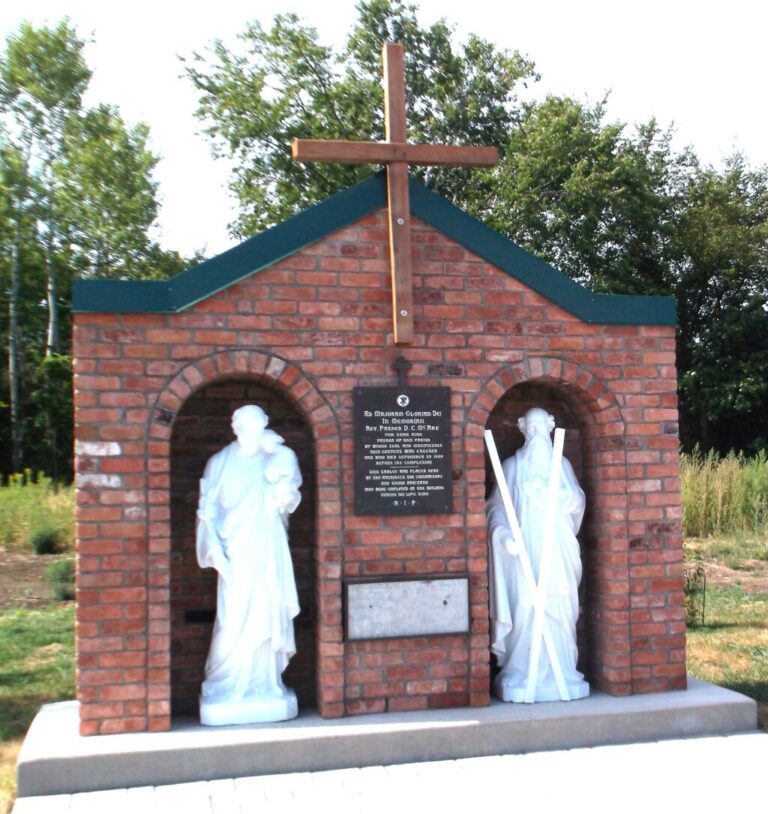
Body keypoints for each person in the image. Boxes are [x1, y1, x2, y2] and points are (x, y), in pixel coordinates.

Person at [196, 405, 302, 724]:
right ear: (236, 427)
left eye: (260, 425)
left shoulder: (277, 459)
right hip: (236, 554)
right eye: (248, 426)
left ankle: (266, 683)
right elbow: (208, 511)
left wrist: (281, 468)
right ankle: (223, 683)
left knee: (268, 612)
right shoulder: (219, 463)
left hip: (268, 549)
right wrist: (216, 550)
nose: (254, 432)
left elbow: (288, 501)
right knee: (233, 620)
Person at [486, 407, 590, 702]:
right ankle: (521, 671)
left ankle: (564, 670)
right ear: (522, 429)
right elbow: (496, 509)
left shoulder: (562, 465)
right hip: (524, 548)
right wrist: (505, 539)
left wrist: (551, 493)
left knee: (558, 605)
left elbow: (577, 501)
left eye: (540, 428)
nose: (535, 434)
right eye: (530, 428)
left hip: (556, 549)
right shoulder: (512, 466)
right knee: (526, 607)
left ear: (550, 428)